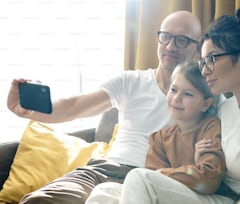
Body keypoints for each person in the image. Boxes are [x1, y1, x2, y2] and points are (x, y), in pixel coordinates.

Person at [6, 10, 202, 204]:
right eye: (165, 37)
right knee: (38, 201)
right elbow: (74, 107)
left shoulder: (206, 98)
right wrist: (30, 111)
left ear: (197, 48)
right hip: (103, 170)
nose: (170, 46)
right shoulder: (131, 81)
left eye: (181, 40)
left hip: (153, 182)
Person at [117, 7, 240, 204]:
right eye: (204, 61)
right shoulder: (225, 109)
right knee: (122, 188)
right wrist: (198, 157)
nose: (205, 71)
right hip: (218, 195)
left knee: (141, 179)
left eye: (212, 59)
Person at [86, 62, 233, 204]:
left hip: (214, 198)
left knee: (138, 176)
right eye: (173, 90)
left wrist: (164, 173)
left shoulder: (211, 127)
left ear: (205, 104)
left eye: (188, 94)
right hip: (178, 193)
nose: (176, 99)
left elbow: (208, 181)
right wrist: (193, 165)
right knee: (105, 191)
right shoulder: (160, 138)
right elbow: (155, 180)